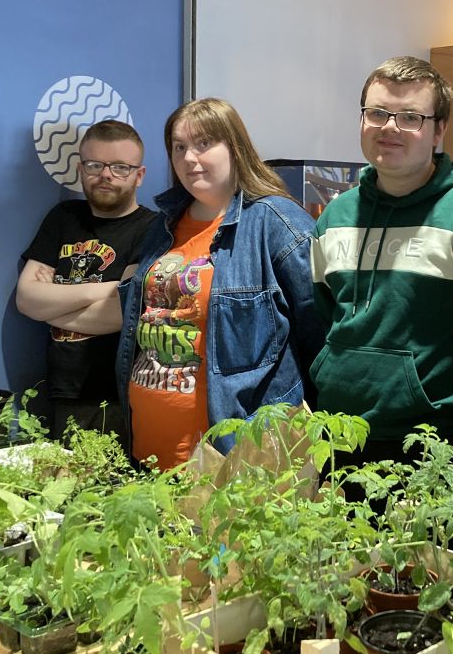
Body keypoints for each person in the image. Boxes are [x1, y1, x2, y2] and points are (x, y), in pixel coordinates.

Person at [310, 56, 453, 461]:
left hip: (435, 449)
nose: (389, 127)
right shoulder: (333, 217)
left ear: (439, 132)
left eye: (410, 117)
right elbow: (322, 322)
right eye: (377, 113)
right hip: (339, 441)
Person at [115, 98, 324, 470]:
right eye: (179, 147)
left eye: (204, 144)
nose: (189, 158)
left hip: (232, 461)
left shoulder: (276, 222)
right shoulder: (163, 225)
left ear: (235, 147)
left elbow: (320, 335)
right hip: (145, 453)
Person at [17, 120, 158, 446]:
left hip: (119, 396)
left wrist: (49, 306)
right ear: (81, 168)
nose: (106, 175)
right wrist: (103, 289)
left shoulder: (152, 228)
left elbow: (124, 312)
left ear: (139, 175)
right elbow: (26, 298)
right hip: (62, 391)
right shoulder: (64, 217)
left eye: (120, 167)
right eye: (95, 165)